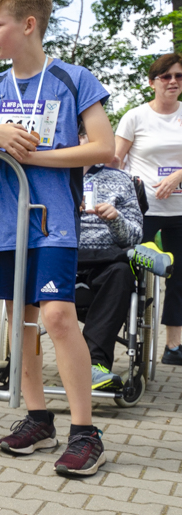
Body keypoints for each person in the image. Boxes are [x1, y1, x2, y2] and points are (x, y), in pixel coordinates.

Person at [0, 0, 115, 477]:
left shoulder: (73, 79)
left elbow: (103, 147)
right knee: (21, 322)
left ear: (29, 24)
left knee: (58, 317)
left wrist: (33, 157)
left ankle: (86, 432)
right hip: (3, 224)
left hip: (52, 221)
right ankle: (38, 420)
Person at [113, 53, 182, 366]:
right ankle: (125, 332)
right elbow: (116, 160)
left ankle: (173, 346)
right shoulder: (135, 117)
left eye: (178, 76)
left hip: (179, 210)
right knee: (129, 271)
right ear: (152, 82)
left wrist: (178, 175)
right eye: (166, 76)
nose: (173, 82)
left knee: (179, 277)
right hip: (144, 210)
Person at [76, 131, 144, 389]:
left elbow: (135, 236)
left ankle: (95, 364)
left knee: (122, 271)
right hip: (62, 254)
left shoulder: (121, 180)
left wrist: (115, 219)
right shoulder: (49, 177)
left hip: (106, 260)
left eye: (83, 135)